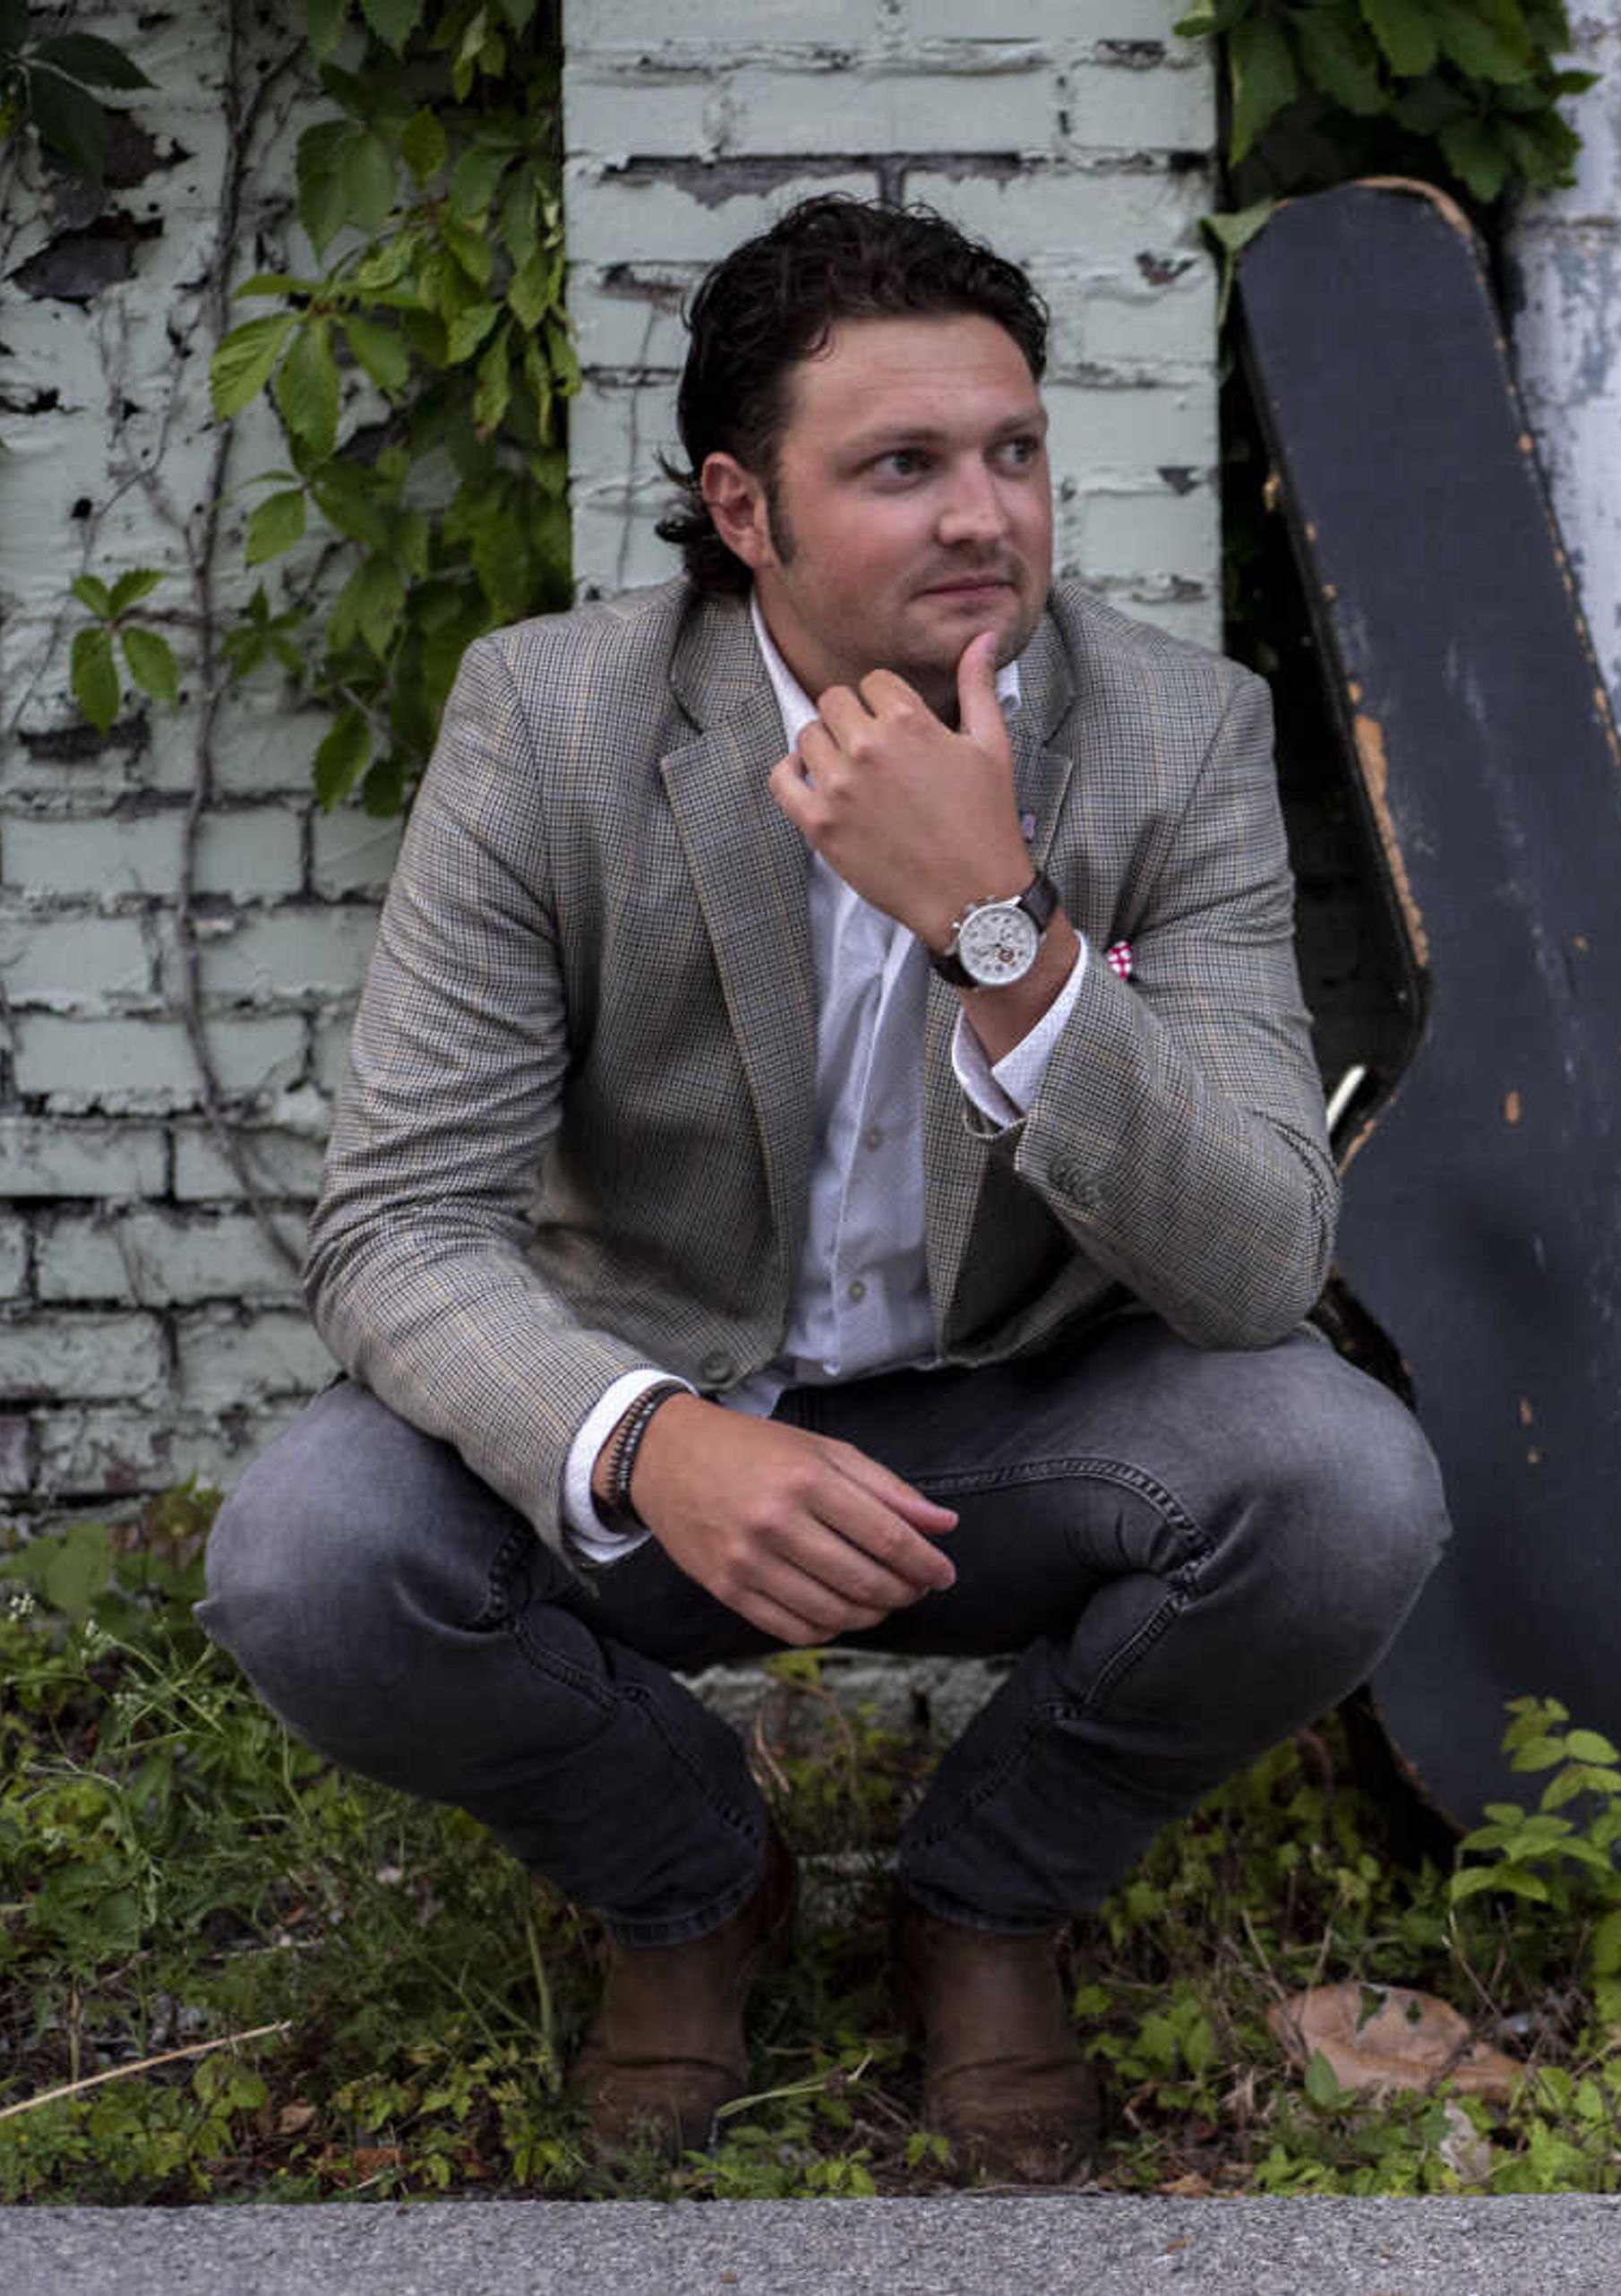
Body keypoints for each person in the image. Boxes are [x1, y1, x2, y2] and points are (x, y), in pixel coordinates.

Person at [198, 196, 1450, 2183]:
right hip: (673, 1404)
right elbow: (398, 1224)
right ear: (744, 507)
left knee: (1348, 1480)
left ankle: (988, 1892)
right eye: (902, 466)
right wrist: (644, 1438)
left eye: (1014, 453)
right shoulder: (554, 721)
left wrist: (1004, 931)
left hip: (1016, 1429)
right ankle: (692, 1881)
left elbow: (1262, 1264)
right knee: (310, 1552)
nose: (985, 514)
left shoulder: (1172, 733)